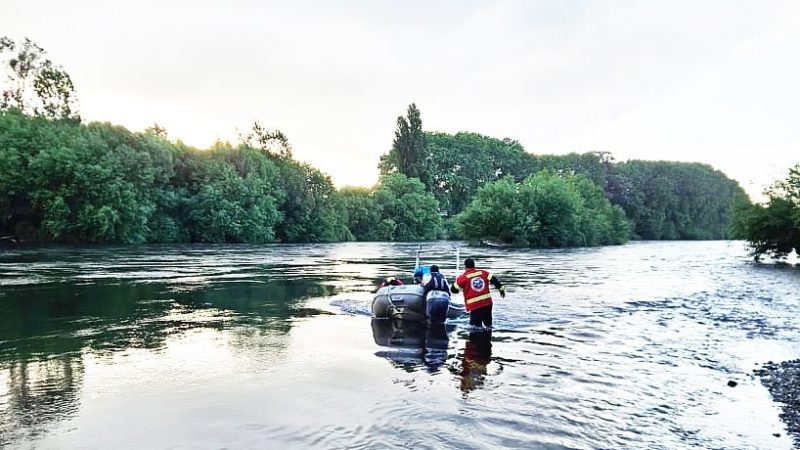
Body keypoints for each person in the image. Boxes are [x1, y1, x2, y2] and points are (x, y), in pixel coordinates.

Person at [451, 258, 505, 328]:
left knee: (475, 328)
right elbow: (494, 280)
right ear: (474, 265)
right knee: (488, 326)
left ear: (465, 267)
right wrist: (501, 289)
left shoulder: (463, 278)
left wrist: (460, 288)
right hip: (487, 303)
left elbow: (453, 290)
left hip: (475, 306)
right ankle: (487, 338)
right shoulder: (483, 273)